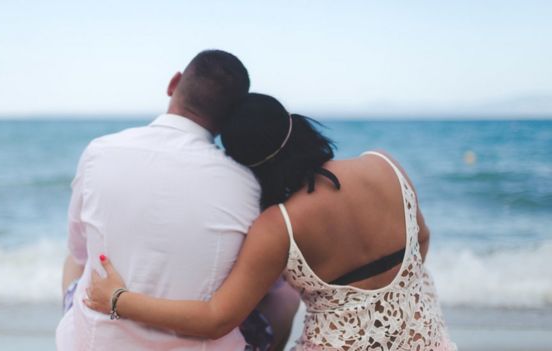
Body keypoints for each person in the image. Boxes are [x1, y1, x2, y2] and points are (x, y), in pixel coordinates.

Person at [85, 93, 457, 350]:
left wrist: (117, 299)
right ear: (295, 124)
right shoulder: (384, 165)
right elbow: (421, 240)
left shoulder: (279, 226)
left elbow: (217, 318)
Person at [56, 52, 299, 351]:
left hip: (95, 341)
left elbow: (79, 252)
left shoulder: (98, 152)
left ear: (173, 84)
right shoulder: (246, 185)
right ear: (230, 117)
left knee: (77, 259)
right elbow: (261, 285)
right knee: (283, 292)